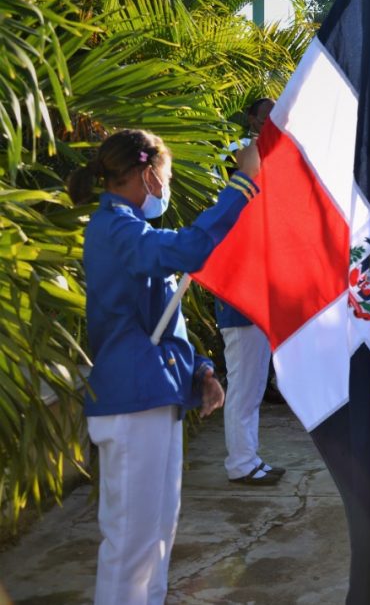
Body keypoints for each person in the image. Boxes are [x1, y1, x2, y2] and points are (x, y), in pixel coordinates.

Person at [68, 128, 261, 604]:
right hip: (133, 399)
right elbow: (189, 250)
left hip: (152, 394)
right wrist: (242, 186)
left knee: (156, 534)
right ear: (146, 174)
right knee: (132, 542)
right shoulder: (116, 228)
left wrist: (201, 370)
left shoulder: (129, 227)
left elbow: (155, 316)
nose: (165, 187)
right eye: (165, 176)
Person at [215, 98, 283, 487]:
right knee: (244, 385)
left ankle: (249, 456)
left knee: (253, 385)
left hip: (257, 295)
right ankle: (241, 463)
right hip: (240, 299)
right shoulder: (237, 154)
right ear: (252, 120)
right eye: (266, 117)